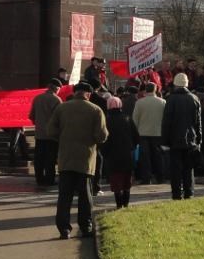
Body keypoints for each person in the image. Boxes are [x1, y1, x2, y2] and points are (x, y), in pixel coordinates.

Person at [48, 81, 109, 236]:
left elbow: (51, 131)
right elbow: (101, 136)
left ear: (75, 92)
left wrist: (63, 139)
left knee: (64, 196)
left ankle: (64, 229)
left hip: (65, 158)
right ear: (88, 94)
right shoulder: (96, 110)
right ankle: (86, 226)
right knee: (85, 196)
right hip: (86, 159)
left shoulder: (62, 108)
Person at [162, 73, 202, 200]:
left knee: (175, 169)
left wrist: (164, 140)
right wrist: (199, 138)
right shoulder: (194, 98)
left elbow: (166, 122)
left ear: (175, 84)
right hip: (191, 139)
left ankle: (176, 194)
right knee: (188, 168)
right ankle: (189, 192)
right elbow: (198, 121)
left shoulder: (171, 99)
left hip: (174, 139)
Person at [101, 95, 138, 208]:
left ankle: (118, 204)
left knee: (116, 180)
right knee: (127, 179)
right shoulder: (127, 118)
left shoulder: (106, 120)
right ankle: (126, 203)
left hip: (112, 155)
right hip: (127, 154)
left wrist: (105, 152)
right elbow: (136, 136)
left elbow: (103, 139)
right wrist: (132, 147)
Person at [29, 78, 63, 187]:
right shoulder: (57, 100)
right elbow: (59, 119)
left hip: (39, 134)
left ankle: (39, 179)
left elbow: (31, 116)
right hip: (52, 135)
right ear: (56, 88)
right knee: (50, 159)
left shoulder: (37, 98)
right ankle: (49, 179)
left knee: (39, 158)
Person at [131, 82, 166, 183]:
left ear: (146, 90)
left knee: (145, 158)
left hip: (143, 133)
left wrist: (135, 133)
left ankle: (146, 178)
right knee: (158, 157)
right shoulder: (163, 102)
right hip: (158, 133)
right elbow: (165, 119)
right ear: (155, 90)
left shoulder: (139, 102)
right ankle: (160, 177)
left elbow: (135, 119)